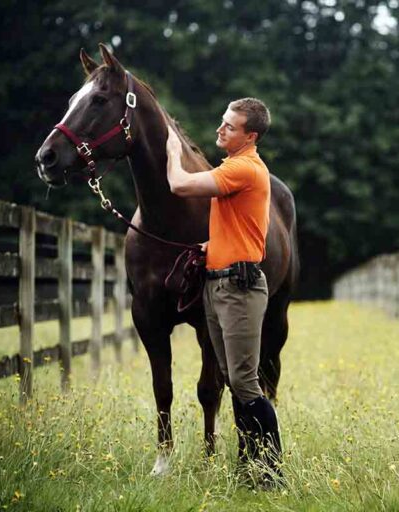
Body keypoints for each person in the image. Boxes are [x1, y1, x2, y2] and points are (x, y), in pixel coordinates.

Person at [165, 98, 281, 483]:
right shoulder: (236, 167)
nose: (220, 129)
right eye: (222, 122)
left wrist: (172, 149)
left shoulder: (245, 168)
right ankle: (250, 465)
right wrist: (211, 248)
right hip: (219, 283)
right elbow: (246, 228)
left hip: (239, 288)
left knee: (245, 382)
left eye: (230, 127)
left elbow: (179, 185)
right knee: (233, 378)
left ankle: (269, 471)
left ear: (250, 136)